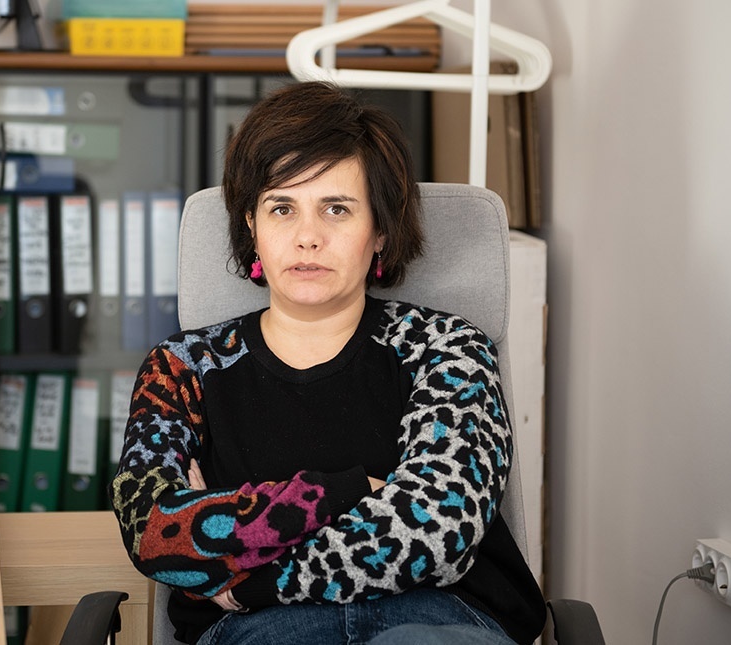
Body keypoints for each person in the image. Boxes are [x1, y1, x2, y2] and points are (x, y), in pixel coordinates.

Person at [110, 81, 545, 645]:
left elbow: (437, 530)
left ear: (381, 229)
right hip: (261, 634)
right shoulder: (182, 367)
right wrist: (345, 491)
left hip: (438, 621)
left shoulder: (447, 348)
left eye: (336, 209)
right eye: (282, 208)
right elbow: (155, 532)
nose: (308, 237)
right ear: (252, 226)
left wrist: (248, 573)